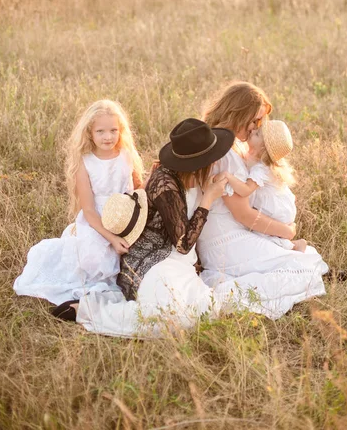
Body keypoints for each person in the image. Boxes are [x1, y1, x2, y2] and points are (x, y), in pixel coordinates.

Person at [52, 118, 239, 335]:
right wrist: (208, 199)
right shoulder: (166, 184)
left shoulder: (197, 176)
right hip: (151, 261)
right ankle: (88, 310)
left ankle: (114, 303)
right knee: (170, 319)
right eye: (210, 158)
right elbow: (183, 244)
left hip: (179, 263)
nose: (214, 162)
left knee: (203, 312)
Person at [197, 81, 329, 319]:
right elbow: (243, 214)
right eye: (255, 121)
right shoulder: (225, 153)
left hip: (228, 234)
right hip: (225, 240)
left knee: (305, 257)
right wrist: (285, 231)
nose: (257, 127)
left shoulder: (225, 142)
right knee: (304, 268)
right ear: (240, 113)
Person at [13, 100, 143, 305]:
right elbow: (89, 210)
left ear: (121, 131)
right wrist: (111, 238)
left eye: (113, 130)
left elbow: (138, 190)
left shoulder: (127, 156)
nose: (108, 137)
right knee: (96, 259)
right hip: (97, 221)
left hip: (125, 216)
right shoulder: (86, 162)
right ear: (89, 133)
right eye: (100, 131)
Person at [222, 117, 307, 252]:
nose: (253, 130)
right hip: (281, 206)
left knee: (263, 235)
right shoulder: (256, 160)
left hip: (276, 210)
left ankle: (294, 246)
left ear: (262, 148)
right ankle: (291, 245)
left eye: (257, 134)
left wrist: (228, 177)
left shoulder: (261, 169)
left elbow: (245, 190)